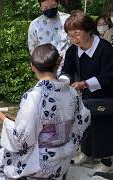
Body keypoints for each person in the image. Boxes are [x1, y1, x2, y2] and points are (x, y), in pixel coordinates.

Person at [0, 44, 90, 180]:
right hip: (64, 158)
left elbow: (20, 140)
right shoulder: (72, 92)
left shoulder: (34, 96)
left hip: (42, 163)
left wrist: (3, 119)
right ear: (59, 63)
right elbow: (83, 120)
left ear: (32, 66)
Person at [60, 10, 113, 175]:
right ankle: (88, 153)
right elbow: (66, 70)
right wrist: (63, 80)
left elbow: (109, 76)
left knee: (104, 127)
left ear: (89, 30)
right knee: (85, 125)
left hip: (105, 95)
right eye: (70, 35)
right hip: (84, 96)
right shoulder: (72, 51)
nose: (74, 38)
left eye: (77, 33)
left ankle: (107, 160)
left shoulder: (105, 49)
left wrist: (85, 84)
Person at [28, 0, 70, 76]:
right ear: (40, 7)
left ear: (57, 4)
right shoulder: (35, 24)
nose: (49, 9)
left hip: (68, 67)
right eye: (45, 7)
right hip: (46, 71)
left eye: (52, 6)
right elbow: (33, 49)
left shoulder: (68, 19)